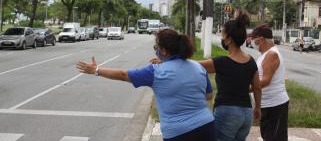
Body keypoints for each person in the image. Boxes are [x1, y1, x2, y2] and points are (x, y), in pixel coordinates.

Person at [76, 29, 215, 141]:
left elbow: (124, 75)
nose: (156, 50)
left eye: (156, 47)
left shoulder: (156, 72)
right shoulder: (198, 67)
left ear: (164, 50)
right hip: (207, 126)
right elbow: (209, 95)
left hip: (178, 133)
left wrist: (96, 70)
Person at [198, 12, 262, 141]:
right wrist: (258, 108)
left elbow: (193, 66)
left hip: (227, 112)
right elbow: (257, 87)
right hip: (246, 113)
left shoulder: (221, 62)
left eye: (223, 34)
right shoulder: (251, 61)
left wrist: (169, 61)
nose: (222, 37)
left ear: (229, 39)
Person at [249, 24, 290, 141]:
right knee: (268, 136)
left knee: (274, 138)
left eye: (253, 40)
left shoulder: (272, 54)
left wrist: (245, 88)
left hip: (275, 105)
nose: (251, 42)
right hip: (266, 105)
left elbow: (266, 81)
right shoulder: (264, 55)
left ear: (261, 39)